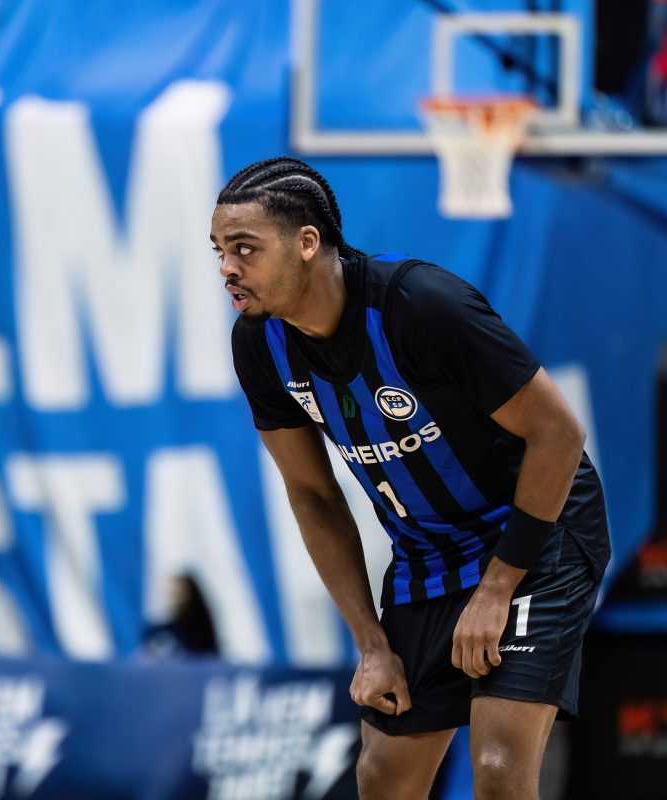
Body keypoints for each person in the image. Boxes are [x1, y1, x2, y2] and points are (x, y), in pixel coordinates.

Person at [213, 157, 609, 800]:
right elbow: (313, 494)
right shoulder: (260, 345)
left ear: (307, 242)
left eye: (244, 249)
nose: (227, 268)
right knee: (383, 776)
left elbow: (559, 433)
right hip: (427, 554)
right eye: (221, 251)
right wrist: (370, 643)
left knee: (499, 767)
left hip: (536, 538)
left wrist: (497, 588)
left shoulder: (420, 306)